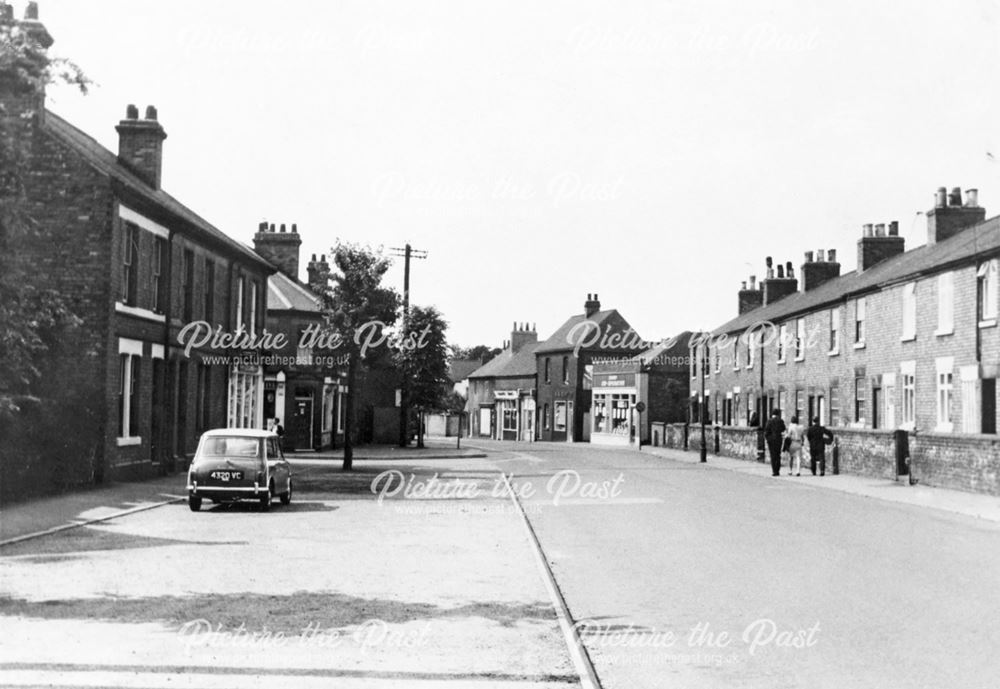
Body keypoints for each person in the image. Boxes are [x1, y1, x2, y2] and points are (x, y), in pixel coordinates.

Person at [763, 409, 785, 477]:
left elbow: (766, 431)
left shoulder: (769, 421)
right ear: (778, 414)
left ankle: (774, 471)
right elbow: (783, 429)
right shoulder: (780, 421)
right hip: (778, 440)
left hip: (771, 441)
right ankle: (778, 470)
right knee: (778, 455)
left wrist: (768, 439)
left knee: (773, 456)